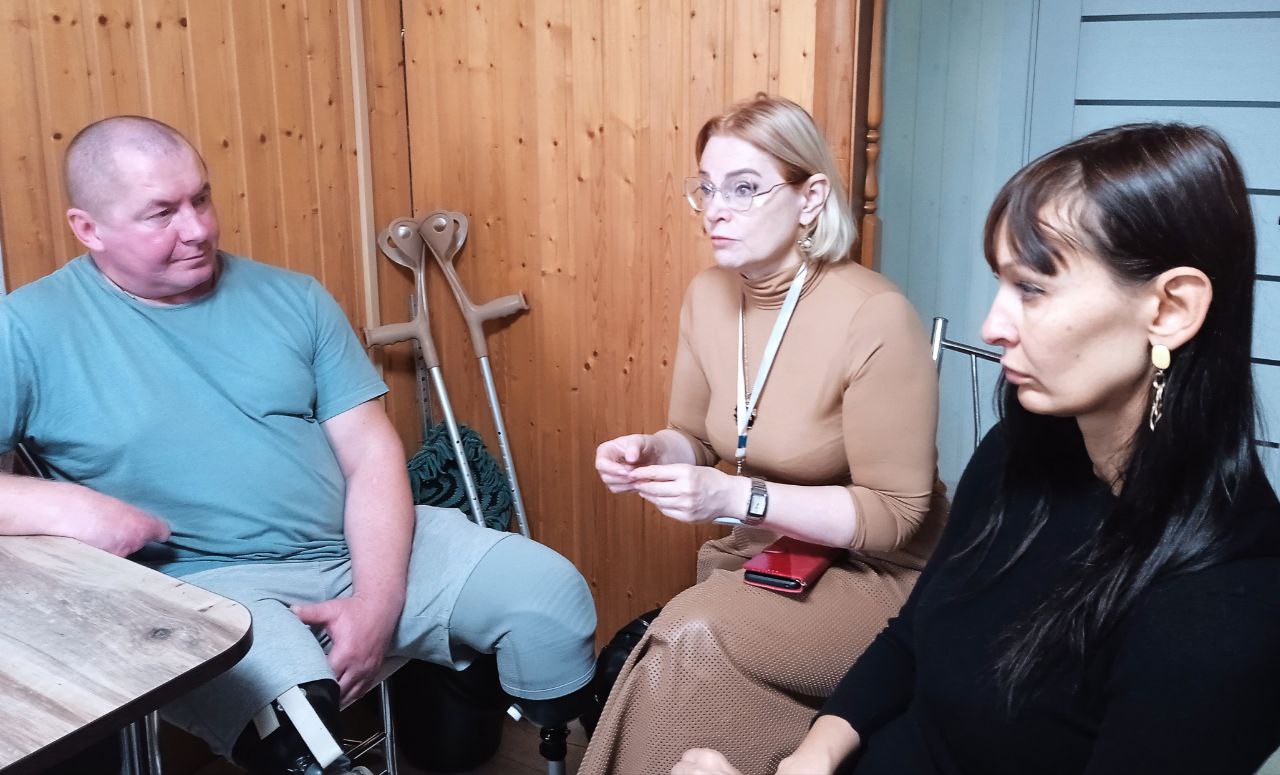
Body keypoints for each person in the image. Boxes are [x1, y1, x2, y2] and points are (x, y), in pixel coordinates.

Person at [675, 122, 1280, 775]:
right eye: (1001, 283)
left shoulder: (1228, 608)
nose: (992, 326)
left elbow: (893, 516)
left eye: (1032, 288)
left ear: (1169, 310)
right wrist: (812, 757)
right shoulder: (1016, 454)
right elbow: (910, 638)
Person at [0, 115, 597, 774]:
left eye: (201, 198)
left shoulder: (293, 297)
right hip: (210, 585)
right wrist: (66, 507)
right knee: (297, 730)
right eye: (162, 213)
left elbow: (370, 454)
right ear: (88, 228)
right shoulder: (26, 330)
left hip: (359, 543)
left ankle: (576, 748)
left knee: (550, 599)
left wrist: (375, 605)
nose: (197, 228)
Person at [582, 95, 948, 775]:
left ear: (811, 198)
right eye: (707, 187)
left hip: (882, 575)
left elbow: (897, 515)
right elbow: (695, 435)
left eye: (744, 188)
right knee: (682, 645)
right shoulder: (708, 296)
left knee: (687, 638)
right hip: (768, 554)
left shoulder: (875, 314)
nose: (715, 210)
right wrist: (654, 453)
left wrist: (736, 496)